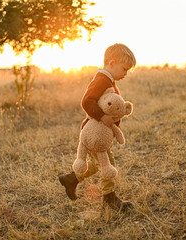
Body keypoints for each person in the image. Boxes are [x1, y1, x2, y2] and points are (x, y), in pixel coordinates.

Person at [59, 43, 136, 210]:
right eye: (124, 69)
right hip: (94, 132)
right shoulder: (101, 80)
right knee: (107, 163)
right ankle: (110, 199)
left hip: (100, 133)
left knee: (95, 165)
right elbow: (86, 102)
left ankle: (70, 180)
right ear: (112, 63)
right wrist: (102, 117)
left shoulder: (109, 79)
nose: (126, 73)